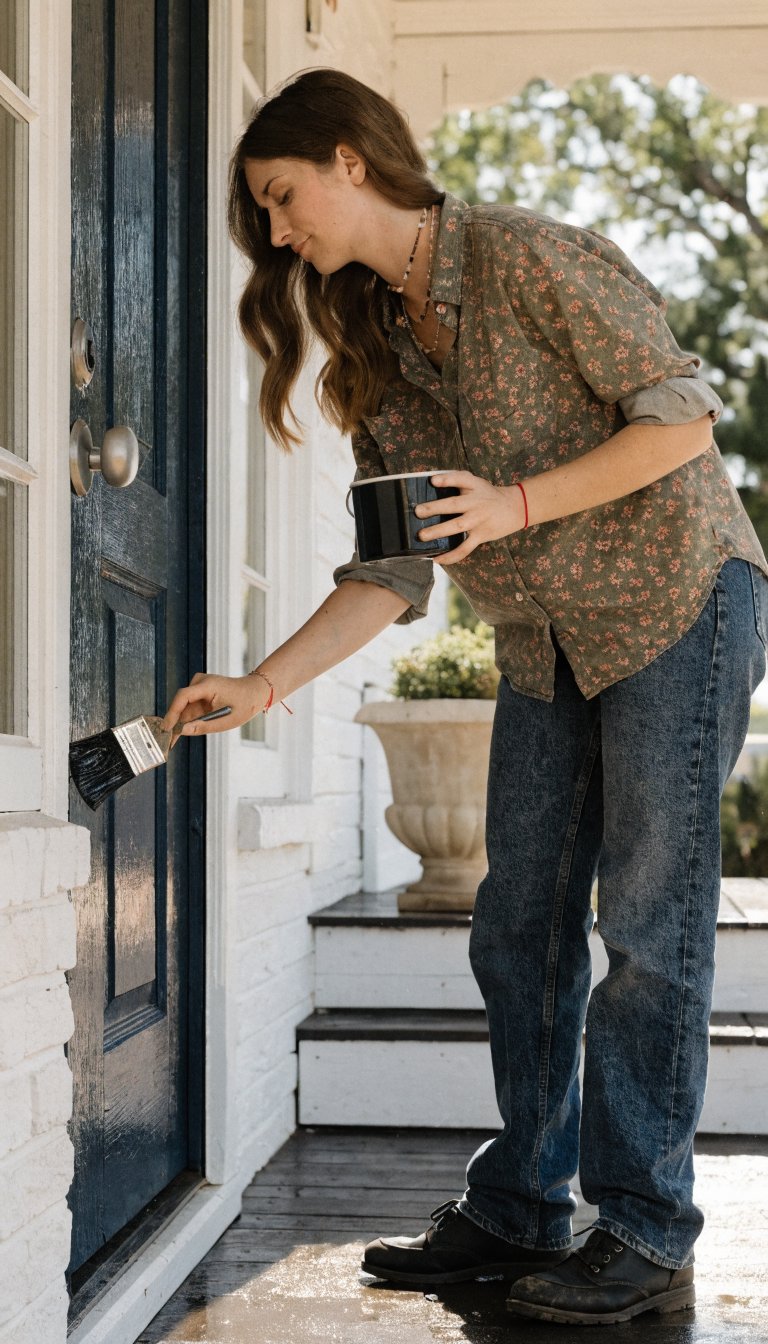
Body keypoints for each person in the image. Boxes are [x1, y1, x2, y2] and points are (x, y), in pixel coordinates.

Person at [162, 68, 768, 1325]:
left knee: (650, 925)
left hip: (674, 597)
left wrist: (515, 505)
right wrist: (262, 684)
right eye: (264, 218)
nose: (279, 234)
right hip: (546, 635)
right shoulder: (377, 344)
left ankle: (646, 1230)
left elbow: (684, 417)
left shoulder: (524, 259)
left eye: (281, 199)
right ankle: (520, 1206)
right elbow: (391, 571)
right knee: (518, 928)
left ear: (348, 159)